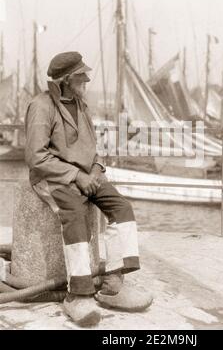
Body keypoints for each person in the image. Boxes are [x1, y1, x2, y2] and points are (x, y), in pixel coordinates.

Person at [25, 52, 152, 327]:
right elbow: (36, 157)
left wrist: (95, 170)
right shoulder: (41, 106)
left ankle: (113, 283)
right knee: (75, 214)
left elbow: (93, 149)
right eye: (82, 76)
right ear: (68, 80)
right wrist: (75, 176)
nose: (87, 80)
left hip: (86, 176)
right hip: (52, 178)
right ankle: (78, 295)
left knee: (122, 208)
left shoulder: (82, 106)